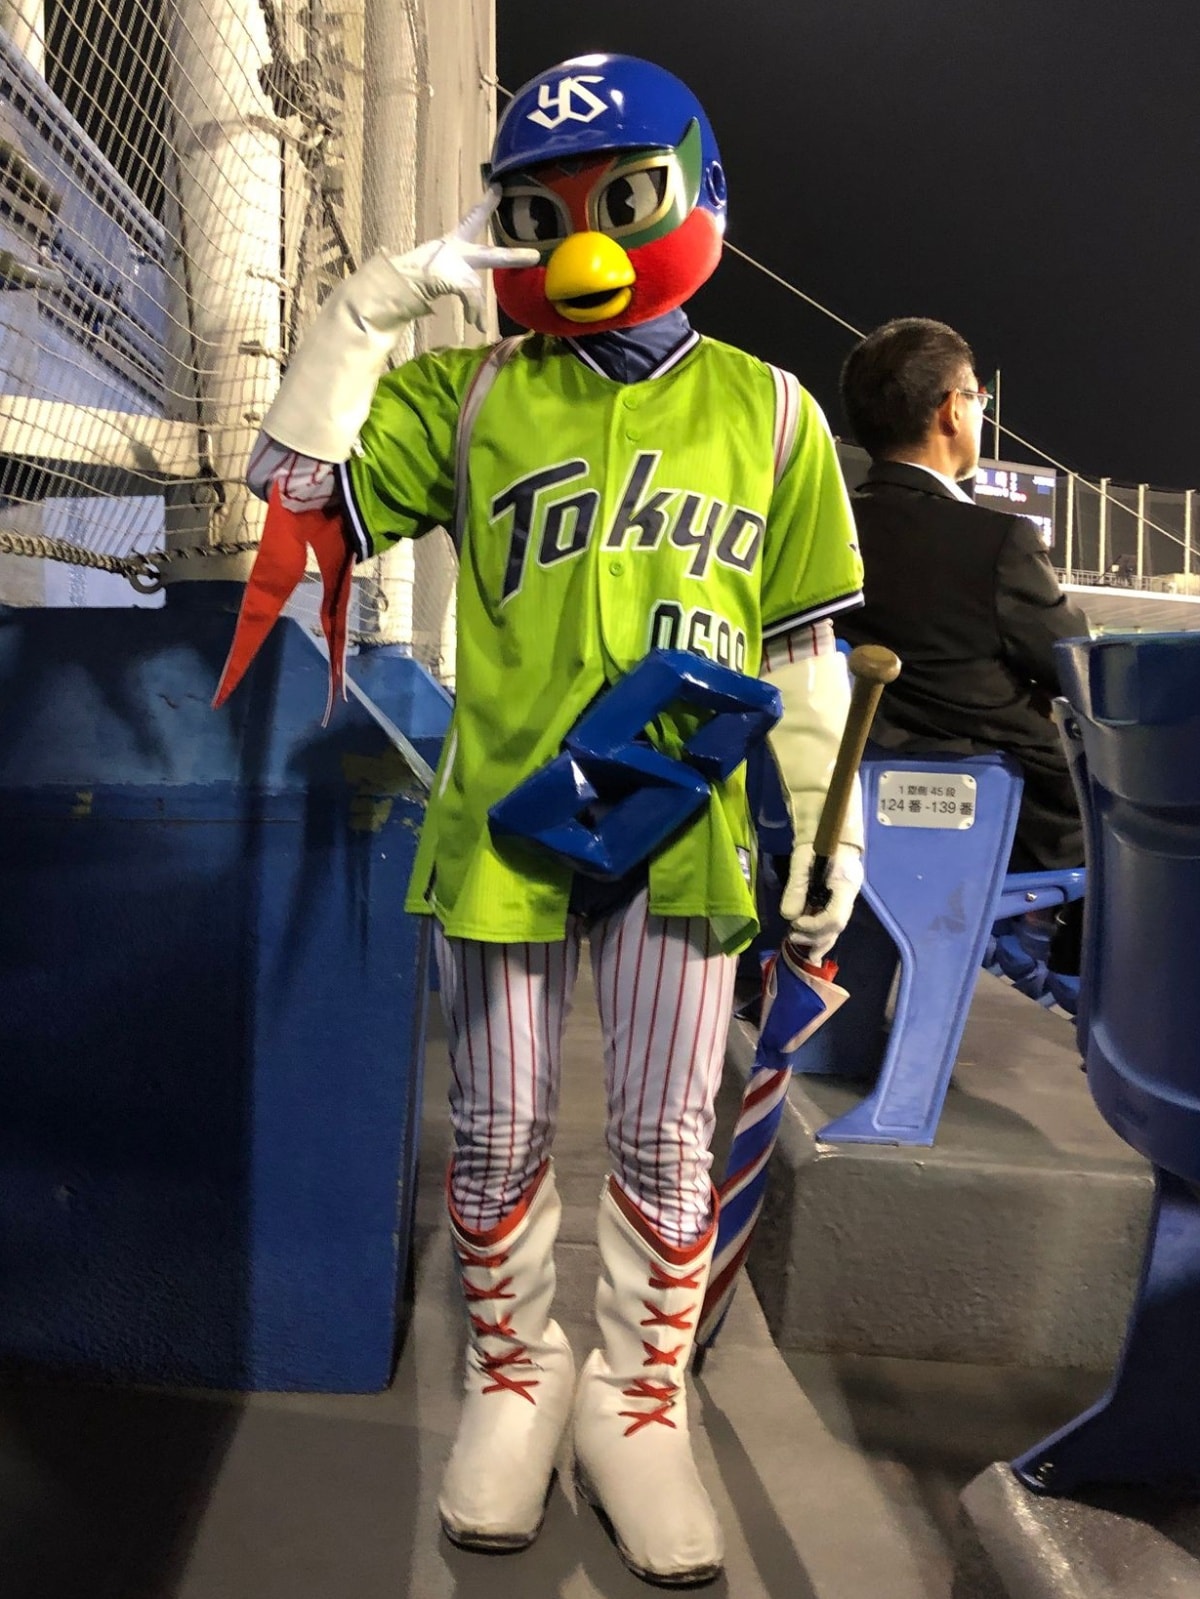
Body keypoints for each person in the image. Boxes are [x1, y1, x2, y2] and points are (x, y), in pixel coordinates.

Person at [218, 54, 865, 1588]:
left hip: (690, 824)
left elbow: (805, 655)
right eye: (540, 213)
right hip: (512, 818)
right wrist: (375, 305)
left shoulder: (775, 416)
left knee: (661, 1125)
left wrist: (828, 833)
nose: (577, 241)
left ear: (692, 192)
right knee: (501, 1121)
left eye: (614, 202)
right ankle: (519, 1377)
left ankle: (639, 1404)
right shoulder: (475, 391)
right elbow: (296, 481)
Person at [836, 317, 1090, 876]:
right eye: (980, 398)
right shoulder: (998, 541)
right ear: (953, 409)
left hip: (850, 805)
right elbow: (1076, 664)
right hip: (1018, 817)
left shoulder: (824, 531)